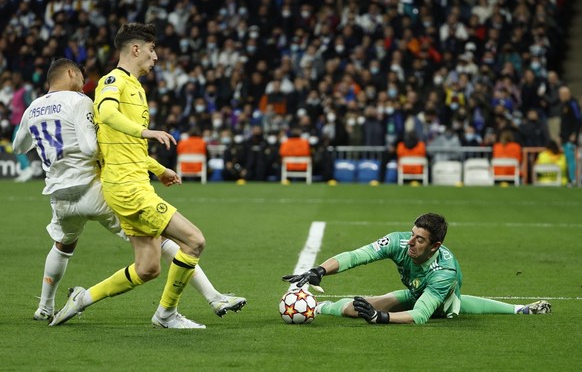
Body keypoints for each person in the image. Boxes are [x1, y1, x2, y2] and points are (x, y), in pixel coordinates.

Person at [12, 58, 245, 324]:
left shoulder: (32, 108)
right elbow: (90, 148)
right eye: (81, 77)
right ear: (69, 73)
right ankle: (212, 297)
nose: (83, 84)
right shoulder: (80, 102)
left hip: (59, 196)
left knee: (63, 246)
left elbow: (19, 147)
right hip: (94, 190)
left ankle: (45, 307)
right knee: (160, 237)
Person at [283, 213, 551, 324]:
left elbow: (421, 314)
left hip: (439, 295)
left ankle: (519, 309)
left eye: (419, 240)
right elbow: (357, 255)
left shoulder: (444, 272)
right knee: (360, 306)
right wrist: (320, 270)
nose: (410, 242)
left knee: (443, 307)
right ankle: (316, 307)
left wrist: (382, 318)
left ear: (434, 246)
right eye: (412, 234)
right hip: (414, 291)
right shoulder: (400, 241)